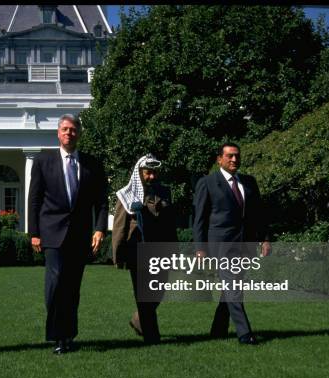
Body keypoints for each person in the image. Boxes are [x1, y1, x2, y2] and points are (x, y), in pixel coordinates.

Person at [28, 114, 108, 354]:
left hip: (79, 235)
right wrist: (34, 232)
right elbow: (34, 199)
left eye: (73, 130)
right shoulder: (43, 161)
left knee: (72, 287)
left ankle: (68, 335)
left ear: (79, 133)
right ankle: (57, 334)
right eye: (64, 129)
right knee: (55, 282)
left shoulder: (92, 163)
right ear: (58, 133)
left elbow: (102, 202)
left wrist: (99, 228)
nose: (69, 133)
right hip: (51, 233)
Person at [192, 142, 271, 345]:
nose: (234, 159)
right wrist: (200, 247)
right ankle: (245, 334)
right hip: (222, 245)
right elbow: (199, 218)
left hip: (245, 244)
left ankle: (217, 330)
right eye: (230, 156)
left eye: (237, 155)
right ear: (220, 159)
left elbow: (258, 214)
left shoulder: (249, 182)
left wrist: (264, 238)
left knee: (233, 287)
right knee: (234, 286)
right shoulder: (207, 182)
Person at [112, 154, 177, 344]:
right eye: (148, 173)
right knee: (144, 295)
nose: (152, 177)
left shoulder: (165, 192)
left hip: (161, 250)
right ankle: (152, 338)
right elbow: (119, 227)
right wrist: (118, 254)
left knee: (158, 292)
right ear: (139, 173)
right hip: (137, 250)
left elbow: (170, 224)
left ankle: (138, 320)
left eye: (154, 173)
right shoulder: (127, 194)